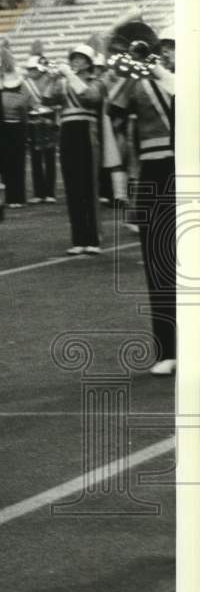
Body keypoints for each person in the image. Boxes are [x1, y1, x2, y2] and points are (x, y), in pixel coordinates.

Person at [106, 27, 176, 375]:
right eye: (165, 48)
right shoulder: (142, 78)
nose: (168, 53)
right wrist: (132, 69)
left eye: (175, 48)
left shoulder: (178, 79)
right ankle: (167, 348)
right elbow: (113, 109)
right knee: (157, 261)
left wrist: (158, 71)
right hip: (153, 173)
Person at [42, 44, 106, 255]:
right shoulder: (64, 82)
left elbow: (91, 97)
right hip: (67, 131)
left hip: (86, 131)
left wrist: (69, 74)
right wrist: (52, 80)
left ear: (88, 63)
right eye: (73, 58)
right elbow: (46, 100)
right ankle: (78, 238)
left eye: (79, 59)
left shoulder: (95, 81)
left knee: (88, 185)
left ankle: (93, 238)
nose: (75, 62)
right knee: (72, 187)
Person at [0, 53, 32, 208]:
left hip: (17, 126)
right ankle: (10, 196)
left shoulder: (20, 81)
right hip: (3, 127)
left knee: (18, 162)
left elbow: (26, 99)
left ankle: (18, 196)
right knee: (6, 163)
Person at [23, 56, 58, 204]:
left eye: (33, 69)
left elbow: (54, 100)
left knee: (49, 157)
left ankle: (50, 192)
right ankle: (38, 192)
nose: (31, 72)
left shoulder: (51, 80)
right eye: (30, 69)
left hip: (48, 118)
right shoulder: (26, 83)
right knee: (35, 158)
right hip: (32, 119)